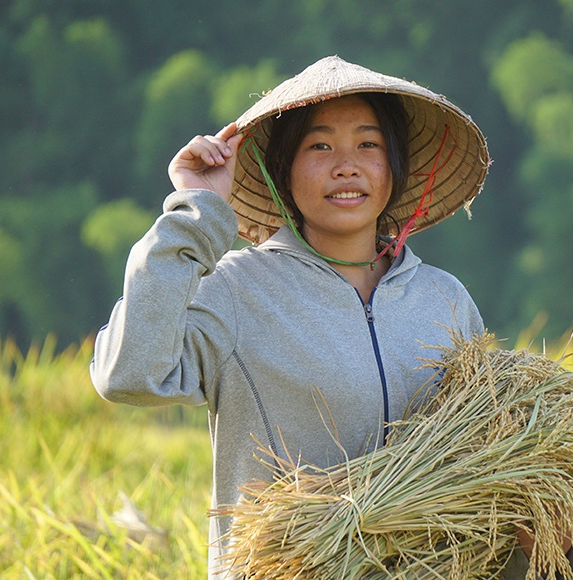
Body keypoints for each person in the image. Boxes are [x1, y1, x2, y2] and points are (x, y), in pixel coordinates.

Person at [89, 56, 526, 576]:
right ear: (283, 171)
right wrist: (193, 214)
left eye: (369, 144)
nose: (347, 165)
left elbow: (488, 460)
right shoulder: (236, 290)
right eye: (319, 146)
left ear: (396, 166)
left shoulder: (444, 300)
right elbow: (128, 375)